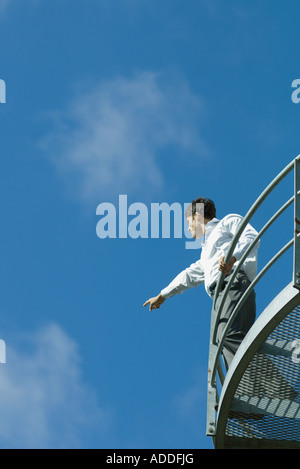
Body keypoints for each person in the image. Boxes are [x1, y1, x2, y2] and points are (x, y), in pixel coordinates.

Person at [143, 197, 259, 370]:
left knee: (228, 336)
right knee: (224, 342)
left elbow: (251, 236)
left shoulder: (226, 222)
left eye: (188, 223)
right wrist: (162, 295)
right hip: (219, 295)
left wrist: (232, 257)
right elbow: (188, 276)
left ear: (197, 215)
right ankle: (252, 389)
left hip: (233, 283)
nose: (189, 230)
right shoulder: (205, 253)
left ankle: (276, 387)